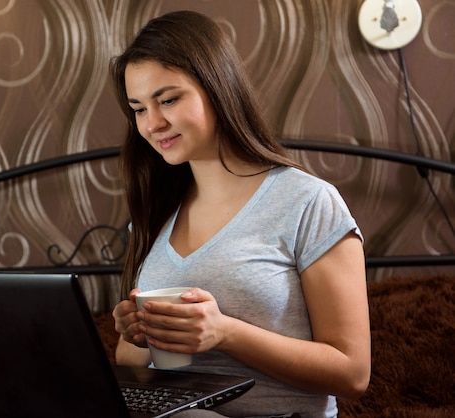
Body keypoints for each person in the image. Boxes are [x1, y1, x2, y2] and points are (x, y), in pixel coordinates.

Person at [110, 10, 371, 418]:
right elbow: (130, 366)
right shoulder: (154, 210)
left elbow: (353, 374)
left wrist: (225, 333)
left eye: (168, 99)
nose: (153, 123)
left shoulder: (307, 202)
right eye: (139, 109)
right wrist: (140, 338)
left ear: (218, 88)